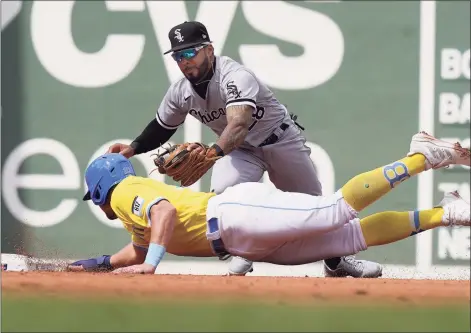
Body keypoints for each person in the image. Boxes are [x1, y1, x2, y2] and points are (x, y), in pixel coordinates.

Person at [107, 20, 382, 278]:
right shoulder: (180, 91)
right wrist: (132, 149)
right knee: (221, 201)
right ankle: (238, 253)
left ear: (209, 50)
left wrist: (213, 153)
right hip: (240, 152)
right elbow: (161, 126)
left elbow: (238, 125)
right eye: (178, 56)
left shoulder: (235, 76)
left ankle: (337, 262)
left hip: (280, 142)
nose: (184, 61)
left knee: (318, 210)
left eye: (190, 51)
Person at [69, 132, 470, 275]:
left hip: (233, 216)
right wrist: (99, 264)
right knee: (349, 239)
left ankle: (421, 156)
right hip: (240, 240)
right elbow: (137, 251)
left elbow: (166, 213)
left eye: (95, 195)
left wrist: (152, 265)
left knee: (334, 211)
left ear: (101, 187)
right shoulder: (129, 210)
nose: (97, 203)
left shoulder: (124, 193)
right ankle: (447, 211)